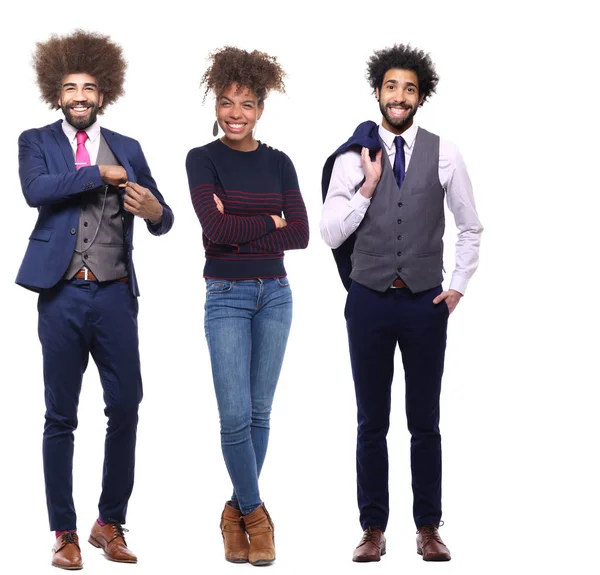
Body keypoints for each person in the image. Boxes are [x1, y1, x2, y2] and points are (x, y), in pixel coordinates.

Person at [16, 30, 174, 570]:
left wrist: (153, 210)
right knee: (60, 414)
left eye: (88, 88)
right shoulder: (35, 141)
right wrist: (95, 173)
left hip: (113, 296)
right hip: (60, 294)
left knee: (126, 405)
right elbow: (36, 190)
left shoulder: (128, 147)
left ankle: (109, 521)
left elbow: (163, 216)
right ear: (56, 95)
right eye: (69, 88)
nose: (79, 96)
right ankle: (63, 530)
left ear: (102, 95)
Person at [320, 44, 483, 563]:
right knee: (371, 420)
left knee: (425, 421)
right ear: (377, 91)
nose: (399, 96)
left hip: (422, 303)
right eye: (391, 86)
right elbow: (328, 232)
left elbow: (470, 226)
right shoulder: (353, 156)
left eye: (409, 88)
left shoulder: (446, 152)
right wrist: (367, 188)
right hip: (367, 300)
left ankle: (428, 527)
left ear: (420, 97)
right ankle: (372, 529)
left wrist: (455, 286)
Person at [185, 46, 309, 567]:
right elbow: (213, 230)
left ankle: (233, 512)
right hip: (228, 298)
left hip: (276, 294)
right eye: (227, 102)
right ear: (216, 103)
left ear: (261, 108)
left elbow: (301, 234)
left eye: (247, 104)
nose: (235, 114)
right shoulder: (202, 158)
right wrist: (269, 223)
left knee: (260, 413)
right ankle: (257, 517)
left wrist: (249, 227)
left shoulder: (279, 162)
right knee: (234, 416)